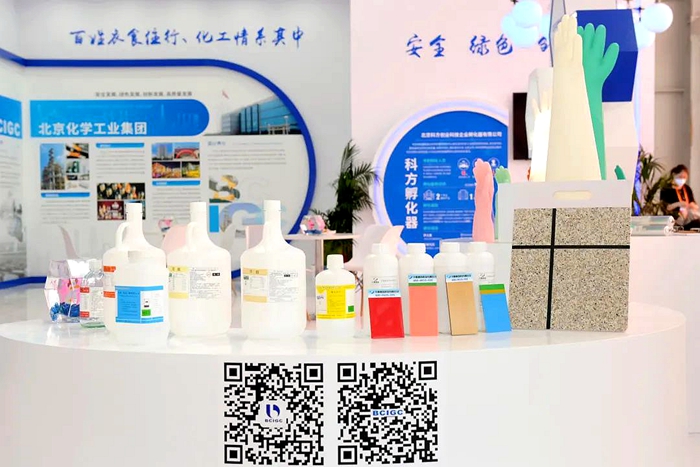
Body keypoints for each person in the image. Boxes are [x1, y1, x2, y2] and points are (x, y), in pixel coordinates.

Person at [661, 165, 700, 229]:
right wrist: (678, 204)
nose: (682, 179)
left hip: (688, 217)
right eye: (680, 177)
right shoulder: (666, 189)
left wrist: (692, 205)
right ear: (674, 175)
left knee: (696, 219)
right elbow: (665, 208)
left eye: (684, 177)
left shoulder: (687, 188)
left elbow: (694, 205)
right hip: (674, 219)